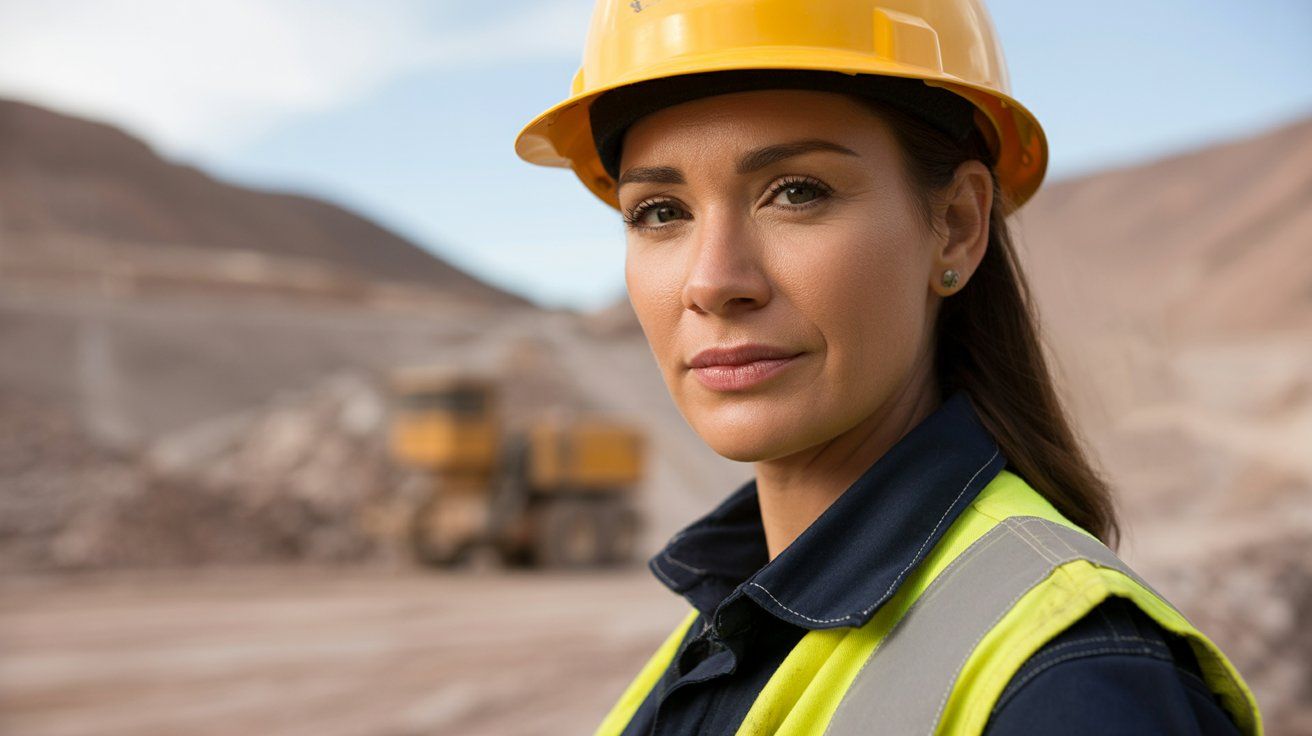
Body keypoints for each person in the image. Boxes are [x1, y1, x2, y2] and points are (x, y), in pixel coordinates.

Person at [514, 1, 1263, 734]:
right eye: (659, 211)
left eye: (796, 193)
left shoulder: (1074, 683)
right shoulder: (730, 623)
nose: (711, 282)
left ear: (957, 227)